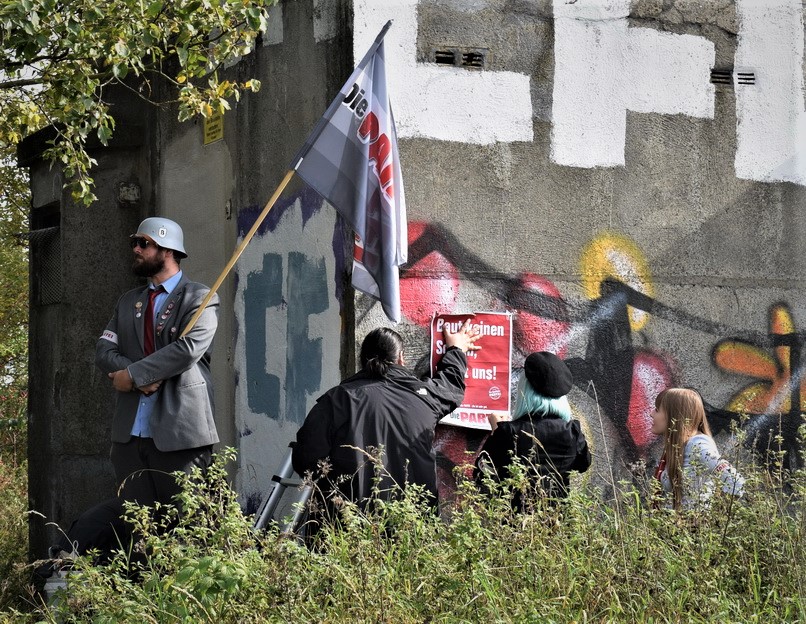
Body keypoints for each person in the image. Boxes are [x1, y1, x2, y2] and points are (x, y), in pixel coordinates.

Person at [292, 322, 481, 519]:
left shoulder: (338, 399)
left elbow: (306, 458)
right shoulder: (424, 396)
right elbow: (451, 387)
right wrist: (456, 349)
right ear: (401, 358)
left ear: (362, 360)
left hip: (346, 525)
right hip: (410, 525)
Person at [96, 216, 220, 510]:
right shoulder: (128, 301)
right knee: (138, 531)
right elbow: (103, 350)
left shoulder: (200, 297)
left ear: (168, 250)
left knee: (189, 527)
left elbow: (188, 349)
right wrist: (129, 373)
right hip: (130, 437)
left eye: (143, 243)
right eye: (134, 243)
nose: (135, 249)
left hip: (182, 434)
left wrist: (135, 375)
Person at [474, 351, 591, 509]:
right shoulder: (572, 432)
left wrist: (496, 430)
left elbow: (481, 474)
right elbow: (583, 464)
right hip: (557, 523)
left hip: (513, 525)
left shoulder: (508, 432)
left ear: (525, 391)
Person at [651, 387, 744, 510]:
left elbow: (736, 482)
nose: (651, 414)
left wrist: (716, 519)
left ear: (674, 415)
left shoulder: (698, 444)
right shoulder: (677, 447)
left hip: (692, 527)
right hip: (673, 526)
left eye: (658, 410)